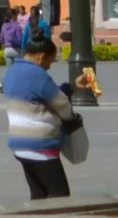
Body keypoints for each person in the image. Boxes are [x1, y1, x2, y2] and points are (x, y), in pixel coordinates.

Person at [5, 34, 82, 199]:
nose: (49, 67)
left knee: (39, 194)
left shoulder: (12, 71)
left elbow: (39, 94)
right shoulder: (38, 75)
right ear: (41, 57)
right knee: (59, 196)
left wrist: (73, 86)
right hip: (40, 145)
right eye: (50, 61)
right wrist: (71, 118)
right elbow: (62, 105)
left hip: (19, 145)